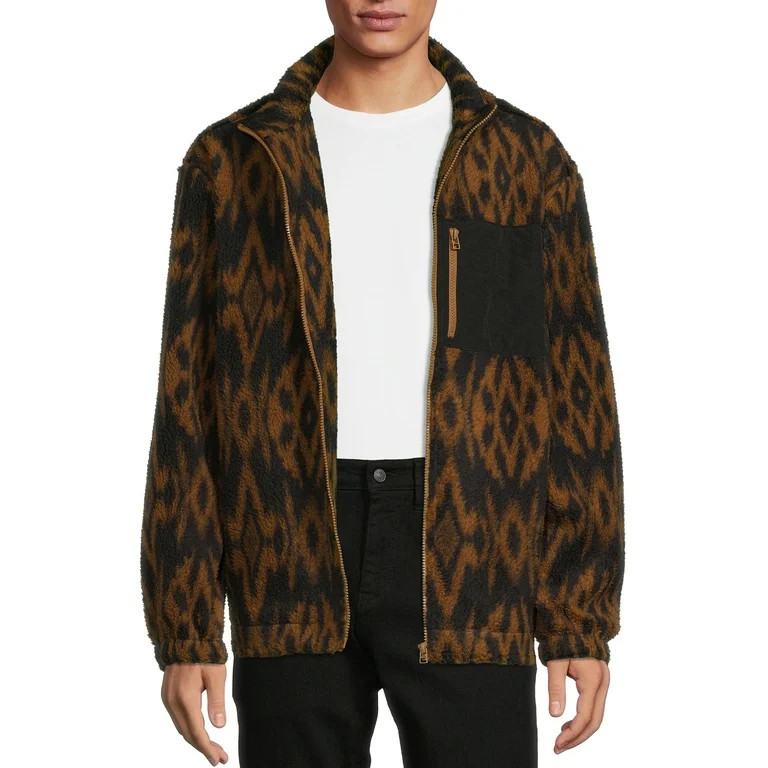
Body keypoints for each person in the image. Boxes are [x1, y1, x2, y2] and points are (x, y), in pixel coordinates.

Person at [140, 2, 625, 766]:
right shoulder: (234, 159)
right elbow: (187, 397)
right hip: (286, 544)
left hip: (474, 544)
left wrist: (578, 614)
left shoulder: (525, 159)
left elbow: (576, 386)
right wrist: (186, 620)